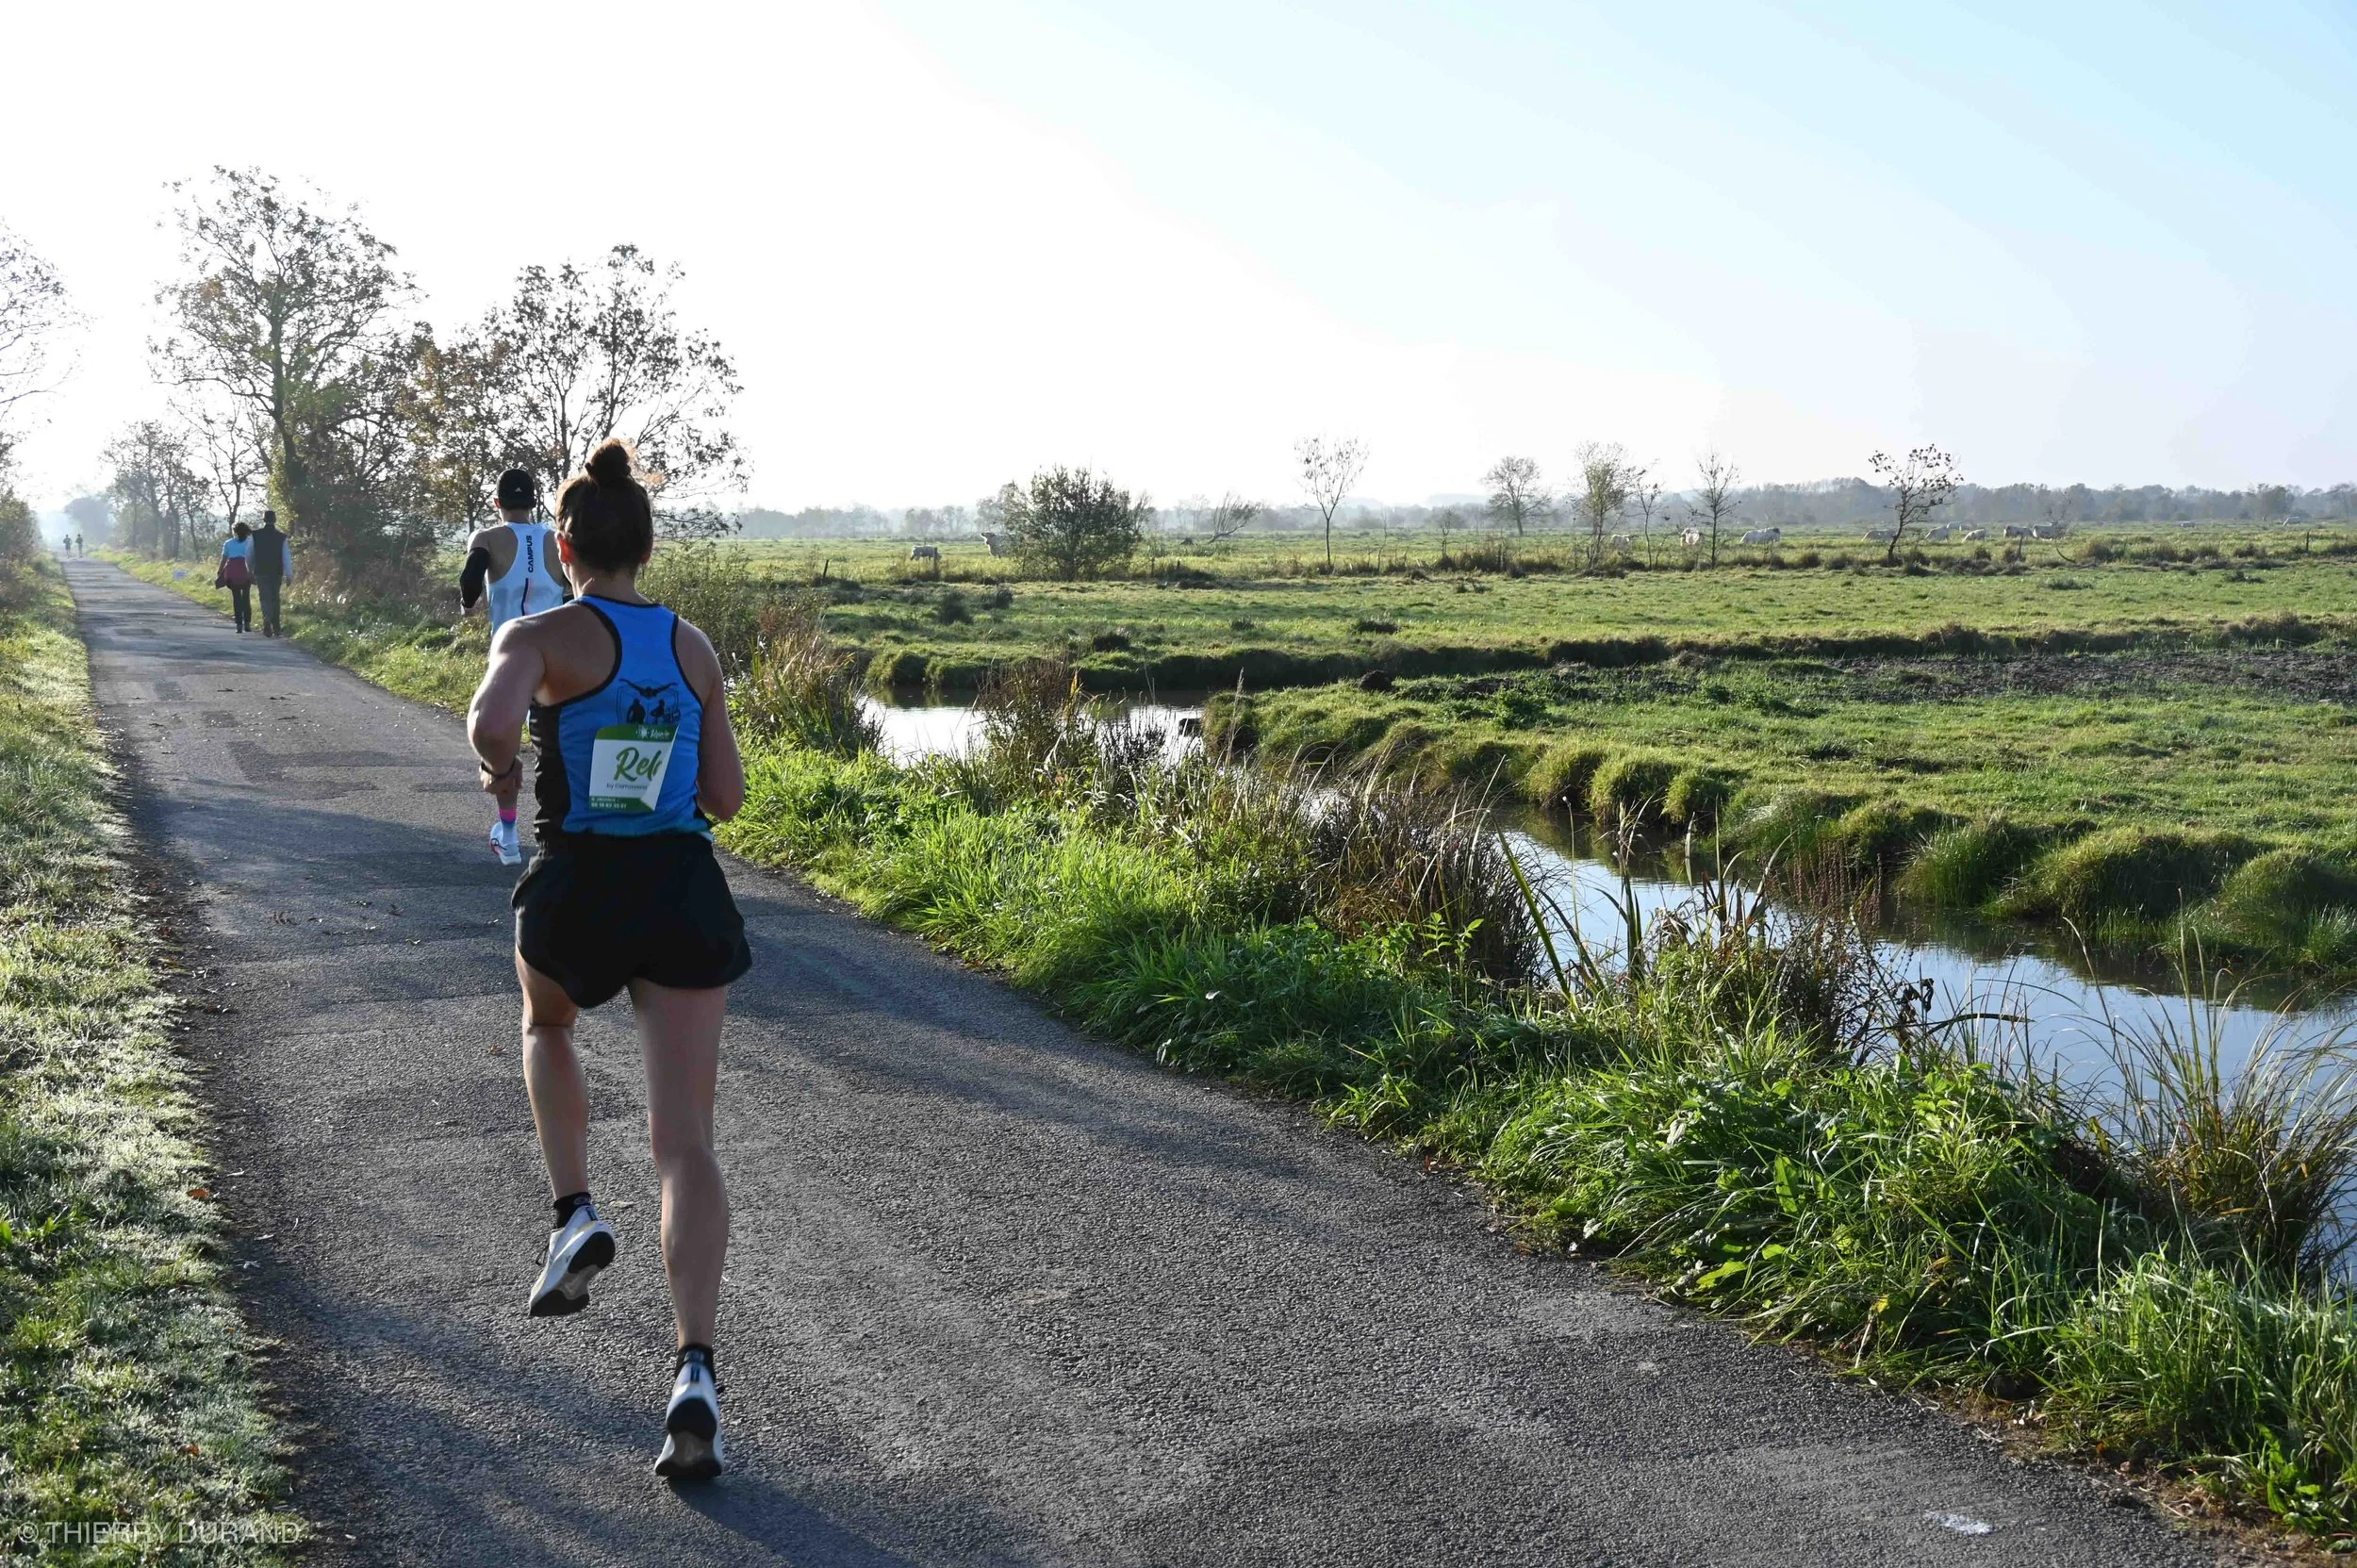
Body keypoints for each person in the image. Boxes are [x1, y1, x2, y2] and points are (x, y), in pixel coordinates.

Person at [465, 438, 750, 1484]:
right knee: (685, 1140)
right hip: (680, 889)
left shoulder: (540, 633)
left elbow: (494, 724)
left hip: (581, 884)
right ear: (646, 544)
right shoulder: (692, 647)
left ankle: (575, 1211)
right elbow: (725, 800)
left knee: (547, 1022)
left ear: (567, 542)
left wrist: (501, 762)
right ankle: (695, 1370)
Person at [459, 469, 569, 865]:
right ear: (534, 502)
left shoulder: (486, 538)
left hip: (509, 660)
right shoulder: (556, 542)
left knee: (501, 749)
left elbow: (470, 581)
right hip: (554, 659)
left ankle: (507, 835)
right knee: (553, 750)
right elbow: (576, 592)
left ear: (497, 503)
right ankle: (558, 837)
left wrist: (467, 604)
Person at [250, 511, 292, 636]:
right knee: (275, 598)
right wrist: (289, 575)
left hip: (260, 570)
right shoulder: (281, 537)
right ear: (275, 520)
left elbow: (249, 554)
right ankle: (276, 627)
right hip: (276, 571)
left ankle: (267, 618)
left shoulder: (255, 535)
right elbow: (286, 557)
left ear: (263, 519)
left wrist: (250, 569)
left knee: (264, 597)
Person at [215, 521, 255, 632]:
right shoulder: (250, 543)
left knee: (236, 598)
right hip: (245, 571)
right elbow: (253, 559)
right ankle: (247, 623)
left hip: (232, 571)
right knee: (246, 597)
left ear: (235, 532)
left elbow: (224, 558)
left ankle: (239, 624)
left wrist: (219, 571)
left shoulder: (228, 543)